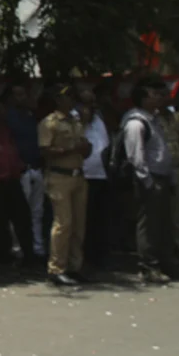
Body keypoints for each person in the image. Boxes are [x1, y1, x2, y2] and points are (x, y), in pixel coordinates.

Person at [125, 75, 179, 283]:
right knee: (148, 225)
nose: (160, 98)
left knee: (165, 223)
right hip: (150, 179)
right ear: (142, 97)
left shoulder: (156, 119)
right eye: (155, 94)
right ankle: (148, 266)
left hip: (164, 177)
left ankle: (167, 261)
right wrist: (148, 181)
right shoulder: (136, 122)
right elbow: (136, 157)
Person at [37, 85, 90, 287]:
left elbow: (84, 146)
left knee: (79, 224)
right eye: (66, 97)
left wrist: (85, 148)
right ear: (58, 100)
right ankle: (56, 268)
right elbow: (45, 151)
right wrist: (70, 149)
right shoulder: (49, 123)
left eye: (72, 96)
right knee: (63, 224)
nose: (70, 100)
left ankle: (74, 266)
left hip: (78, 175)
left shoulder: (76, 122)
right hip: (59, 176)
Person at [0, 93, 34, 274]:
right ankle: (3, 254)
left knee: (22, 218)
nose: (4, 111)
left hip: (12, 178)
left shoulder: (5, 128)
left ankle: (28, 254)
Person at [7, 81, 47, 262]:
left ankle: (37, 246)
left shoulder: (32, 116)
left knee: (37, 211)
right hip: (21, 170)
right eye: (18, 94)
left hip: (36, 167)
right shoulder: (9, 117)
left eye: (24, 94)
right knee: (19, 213)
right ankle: (18, 248)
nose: (22, 98)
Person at [78, 82, 114, 272]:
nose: (90, 107)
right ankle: (84, 257)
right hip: (84, 175)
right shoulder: (76, 122)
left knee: (100, 219)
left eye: (92, 103)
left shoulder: (100, 119)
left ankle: (100, 256)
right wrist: (83, 118)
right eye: (86, 103)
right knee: (85, 220)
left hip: (101, 174)